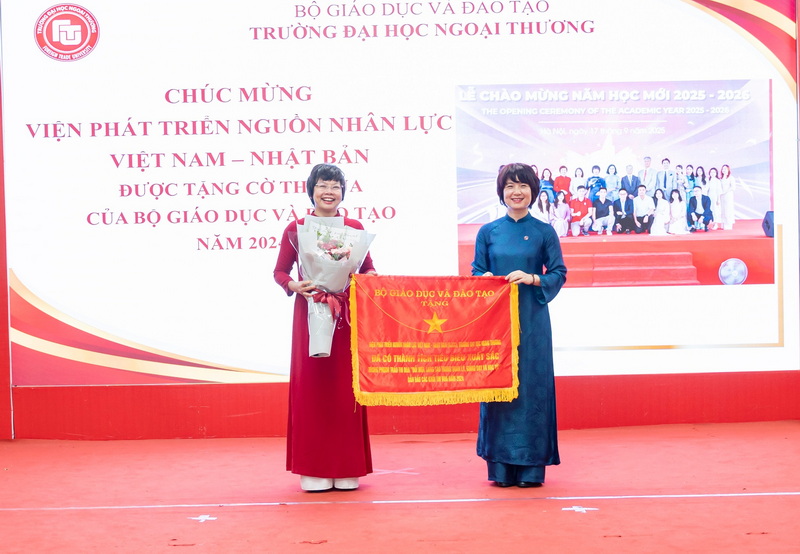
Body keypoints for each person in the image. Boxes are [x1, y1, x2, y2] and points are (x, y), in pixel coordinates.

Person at [273, 163, 376, 492]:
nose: (329, 191)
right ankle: (313, 468)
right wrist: (294, 285)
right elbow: (280, 272)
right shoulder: (296, 228)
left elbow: (368, 268)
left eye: (335, 186)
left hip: (345, 315)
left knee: (345, 391)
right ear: (311, 190)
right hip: (310, 313)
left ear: (342, 192)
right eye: (322, 185)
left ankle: (347, 467)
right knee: (313, 389)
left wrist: (370, 279)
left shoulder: (354, 228)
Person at [471, 162, 567, 488]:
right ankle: (499, 467)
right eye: (510, 186)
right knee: (498, 385)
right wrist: (484, 278)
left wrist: (533, 278)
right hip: (495, 323)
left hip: (532, 319)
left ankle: (531, 468)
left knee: (531, 386)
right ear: (502, 192)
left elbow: (559, 273)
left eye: (523, 185)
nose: (516, 192)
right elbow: (476, 271)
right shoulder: (488, 232)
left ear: (533, 191)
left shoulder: (544, 232)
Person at [718, 164, 735, 230]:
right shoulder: (721, 178)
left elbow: (733, 187)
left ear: (728, 170)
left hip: (728, 195)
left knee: (728, 209)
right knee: (723, 210)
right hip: (722, 196)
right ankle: (723, 223)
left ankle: (728, 224)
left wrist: (725, 192)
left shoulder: (731, 178)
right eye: (723, 169)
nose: (724, 170)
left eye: (725, 169)